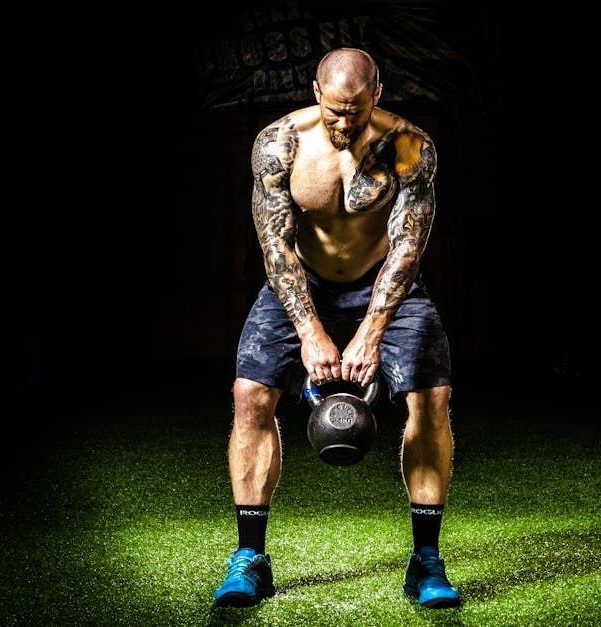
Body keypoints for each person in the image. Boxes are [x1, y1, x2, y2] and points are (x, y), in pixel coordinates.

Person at [213, 48, 461, 609]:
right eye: (334, 111)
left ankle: (425, 560)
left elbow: (407, 247)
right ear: (315, 91)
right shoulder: (281, 143)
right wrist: (310, 330)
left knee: (432, 398)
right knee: (251, 396)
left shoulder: (406, 146)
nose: (344, 124)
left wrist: (371, 332)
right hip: (302, 283)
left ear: (378, 93)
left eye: (355, 110)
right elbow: (275, 246)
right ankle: (250, 556)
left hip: (384, 283)